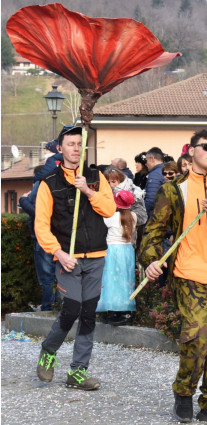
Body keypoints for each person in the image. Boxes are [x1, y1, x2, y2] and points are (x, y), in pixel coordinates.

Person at [140, 129, 207, 423]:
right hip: (189, 273)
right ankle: (183, 392)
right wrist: (150, 260)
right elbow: (154, 232)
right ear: (192, 151)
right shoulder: (174, 190)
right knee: (198, 336)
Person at [34, 125, 116, 390]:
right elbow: (41, 226)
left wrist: (88, 191)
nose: (76, 149)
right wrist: (58, 253)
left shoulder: (95, 176)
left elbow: (109, 209)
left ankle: (77, 372)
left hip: (96, 256)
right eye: (71, 144)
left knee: (89, 314)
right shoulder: (50, 183)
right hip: (67, 259)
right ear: (60, 149)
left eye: (80, 144)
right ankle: (48, 351)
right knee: (71, 310)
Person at [96, 190, 137, 326]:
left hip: (112, 250)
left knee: (111, 280)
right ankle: (125, 310)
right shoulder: (133, 216)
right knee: (126, 279)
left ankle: (112, 310)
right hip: (127, 250)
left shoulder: (110, 217)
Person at [20, 165, 56, 311]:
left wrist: (23, 200)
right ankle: (54, 304)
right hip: (56, 235)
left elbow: (37, 212)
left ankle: (49, 306)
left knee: (46, 275)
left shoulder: (41, 185)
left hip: (43, 237)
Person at [143, 147, 165, 216]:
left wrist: (143, 214)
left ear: (152, 159)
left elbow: (151, 199)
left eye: (146, 161)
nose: (146, 164)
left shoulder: (155, 174)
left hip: (155, 217)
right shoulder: (167, 170)